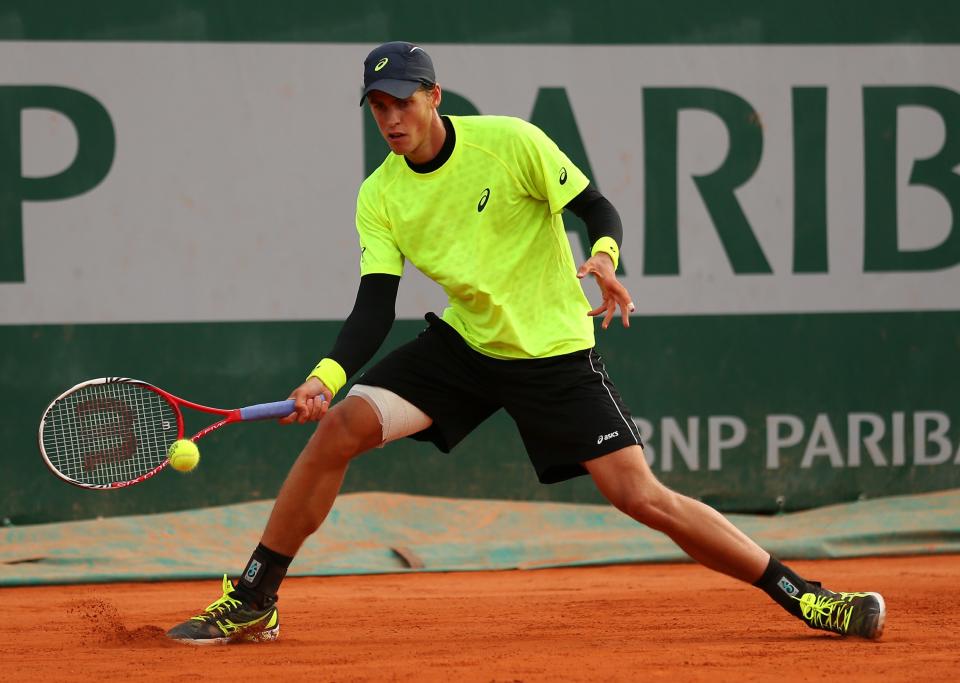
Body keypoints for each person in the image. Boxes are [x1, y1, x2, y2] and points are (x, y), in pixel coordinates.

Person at [166, 41, 886, 644]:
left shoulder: (509, 142)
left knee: (640, 496)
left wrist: (602, 256)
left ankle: (805, 594)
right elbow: (375, 306)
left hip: (553, 354)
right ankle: (257, 594)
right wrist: (325, 376)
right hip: (465, 348)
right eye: (378, 106)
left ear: (434, 96)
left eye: (402, 101)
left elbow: (595, 206)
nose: (391, 117)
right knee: (344, 425)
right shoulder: (380, 194)